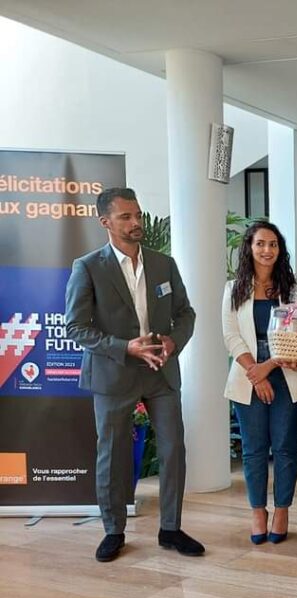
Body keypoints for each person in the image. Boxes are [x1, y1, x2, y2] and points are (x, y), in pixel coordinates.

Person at [65, 187, 202, 562]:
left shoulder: (163, 264)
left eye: (138, 214)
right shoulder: (88, 267)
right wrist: (125, 347)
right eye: (125, 216)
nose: (136, 222)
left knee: (173, 449)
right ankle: (113, 531)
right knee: (112, 454)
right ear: (105, 222)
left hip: (160, 372)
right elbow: (76, 327)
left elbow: (186, 313)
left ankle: (170, 529)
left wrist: (173, 341)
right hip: (113, 373)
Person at [222, 221, 297, 545]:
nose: (267, 250)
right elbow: (231, 336)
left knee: (285, 447)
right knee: (254, 450)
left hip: (288, 374)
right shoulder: (233, 289)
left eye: (273, 244)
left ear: (280, 249)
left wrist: (269, 366)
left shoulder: (294, 289)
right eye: (260, 243)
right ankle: (258, 512)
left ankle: (282, 510)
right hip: (247, 376)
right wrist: (255, 372)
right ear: (249, 247)